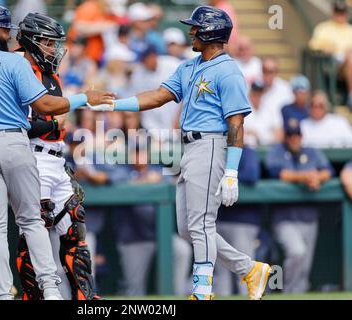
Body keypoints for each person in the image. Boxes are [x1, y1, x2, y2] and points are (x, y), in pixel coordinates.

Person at [87, 6, 271, 300]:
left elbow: (236, 123)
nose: (191, 32)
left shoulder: (228, 70)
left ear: (211, 32)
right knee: (188, 229)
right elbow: (158, 97)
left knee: (202, 225)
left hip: (211, 144)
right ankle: (249, 269)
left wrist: (232, 171)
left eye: (196, 27)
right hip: (188, 147)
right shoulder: (189, 66)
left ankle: (202, 291)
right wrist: (114, 105)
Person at [0, 4, 114, 300]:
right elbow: (44, 106)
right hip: (14, 142)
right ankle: (50, 290)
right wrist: (86, 97)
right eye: (5, 29)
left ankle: (1, 295)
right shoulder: (11, 62)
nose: (9, 34)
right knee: (31, 220)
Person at [14, 12, 100, 301]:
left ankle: (86, 298)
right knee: (32, 232)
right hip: (31, 156)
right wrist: (54, 123)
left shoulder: (51, 74)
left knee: (74, 227)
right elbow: (20, 124)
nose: (52, 48)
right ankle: (33, 297)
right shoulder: (18, 69)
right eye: (47, 42)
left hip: (55, 156)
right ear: (31, 41)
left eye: (53, 42)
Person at [114, 143, 192, 297]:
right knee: (134, 289)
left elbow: (175, 182)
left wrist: (161, 181)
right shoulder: (122, 171)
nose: (139, 157)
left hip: (161, 234)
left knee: (182, 250)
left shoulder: (157, 171)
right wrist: (145, 182)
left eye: (141, 152)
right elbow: (115, 182)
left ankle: (176, 295)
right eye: (135, 153)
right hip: (134, 238)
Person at [265, 121, 334, 293]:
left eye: (297, 135)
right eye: (290, 135)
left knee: (304, 269)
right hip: (284, 218)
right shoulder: (277, 152)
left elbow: (329, 171)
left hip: (308, 218)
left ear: (301, 136)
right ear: (285, 137)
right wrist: (305, 177)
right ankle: (287, 293)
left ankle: (297, 294)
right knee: (297, 252)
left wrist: (317, 177)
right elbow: (276, 172)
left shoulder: (311, 152)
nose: (294, 139)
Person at [214, 146, 262, 297]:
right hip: (218, 219)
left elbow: (252, 175)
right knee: (221, 272)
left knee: (244, 269)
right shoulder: (217, 151)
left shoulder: (247, 152)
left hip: (243, 220)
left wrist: (229, 175)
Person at [309, 0, 352, 108]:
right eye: (338, 12)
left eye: (342, 12)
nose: (340, 15)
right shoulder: (323, 28)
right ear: (333, 13)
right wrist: (328, 49)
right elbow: (313, 46)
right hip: (331, 62)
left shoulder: (350, 29)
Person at [243, 80, 283, 147]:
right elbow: (238, 132)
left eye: (260, 93)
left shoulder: (270, 108)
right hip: (248, 148)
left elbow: (279, 133)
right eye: (255, 93)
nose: (258, 96)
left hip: (269, 147)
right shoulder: (243, 109)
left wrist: (258, 135)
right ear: (250, 93)